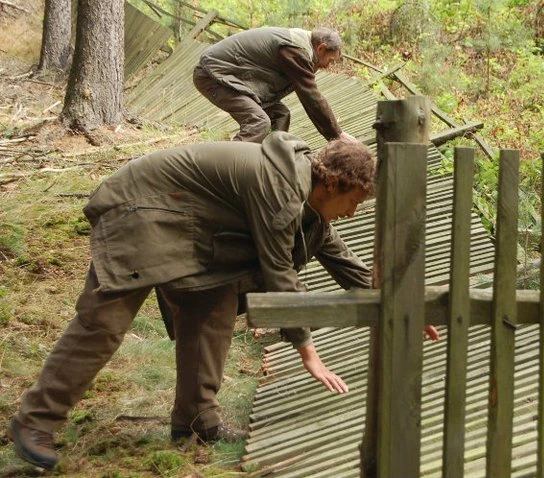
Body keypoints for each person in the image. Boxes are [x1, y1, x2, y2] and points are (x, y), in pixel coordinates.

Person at [8, 132, 378, 470]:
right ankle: (36, 421)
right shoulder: (281, 190)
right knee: (103, 323)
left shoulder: (304, 199)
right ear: (330, 184)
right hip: (142, 209)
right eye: (353, 202)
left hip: (189, 222)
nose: (352, 213)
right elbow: (280, 270)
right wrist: (307, 351)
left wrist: (396, 300)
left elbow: (342, 259)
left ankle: (198, 418)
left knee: (212, 307)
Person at [193, 26, 356, 143]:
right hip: (212, 74)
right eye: (330, 60)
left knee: (280, 114)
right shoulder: (295, 51)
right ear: (321, 48)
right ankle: (223, 170)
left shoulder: (301, 46)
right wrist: (337, 135)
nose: (328, 66)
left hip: (233, 78)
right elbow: (311, 96)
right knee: (259, 122)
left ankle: (266, 163)